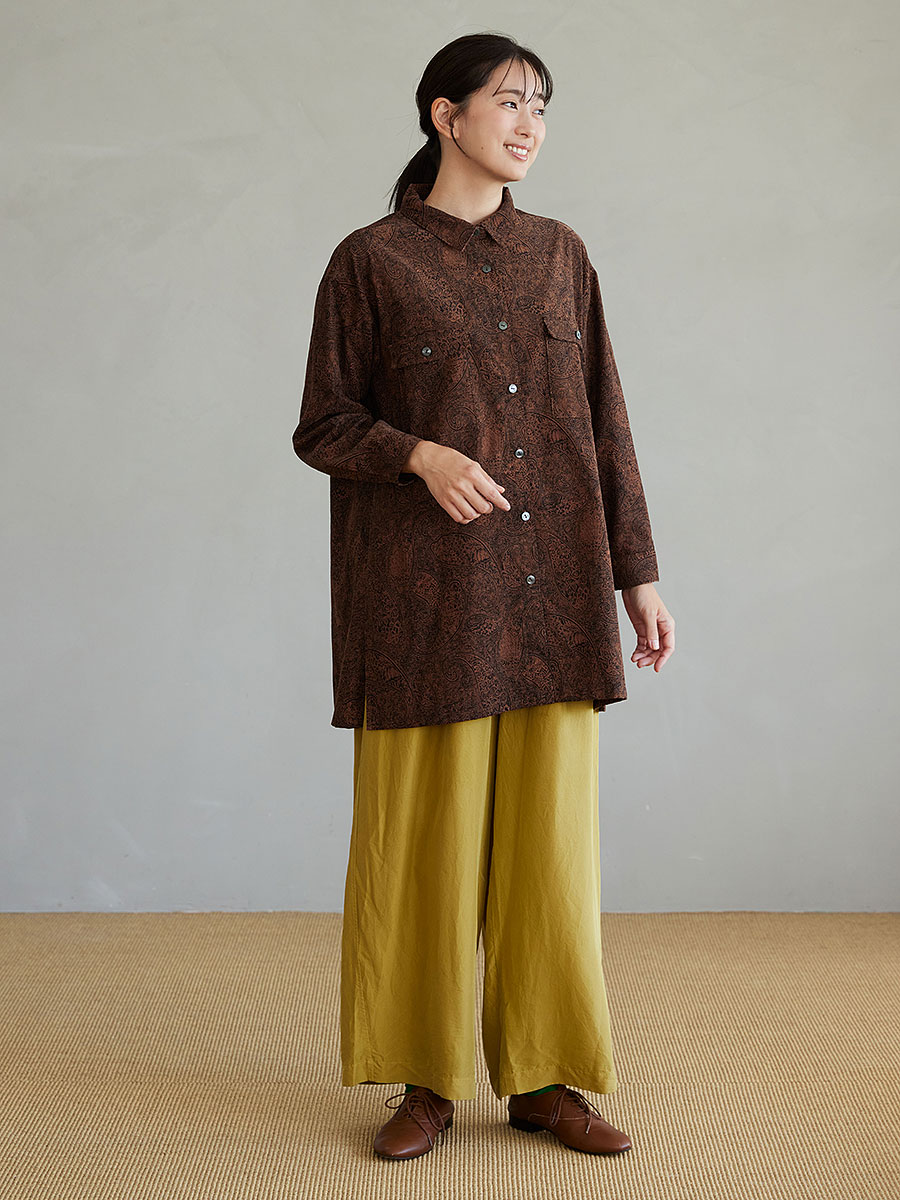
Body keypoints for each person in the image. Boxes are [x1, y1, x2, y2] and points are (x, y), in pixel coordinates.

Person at [292, 32, 675, 1161]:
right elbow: (322, 423)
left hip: (555, 596)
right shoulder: (370, 262)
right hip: (426, 606)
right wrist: (418, 455)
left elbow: (605, 420)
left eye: (540, 107)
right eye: (508, 102)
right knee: (422, 852)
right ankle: (426, 1082)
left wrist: (639, 576)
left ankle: (547, 1080)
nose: (529, 125)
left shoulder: (561, 255)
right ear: (443, 114)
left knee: (550, 858)